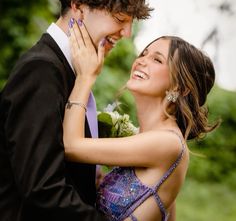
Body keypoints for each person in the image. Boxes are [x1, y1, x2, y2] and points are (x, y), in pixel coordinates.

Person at [0, 0, 152, 221]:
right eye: (120, 18)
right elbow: (42, 189)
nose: (127, 33)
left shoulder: (73, 69)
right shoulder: (41, 70)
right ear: (79, 6)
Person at [63, 21, 220, 221]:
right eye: (144, 53)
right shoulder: (149, 138)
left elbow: (70, 146)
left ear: (180, 88)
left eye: (157, 59)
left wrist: (85, 77)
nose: (141, 61)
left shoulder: (168, 142)